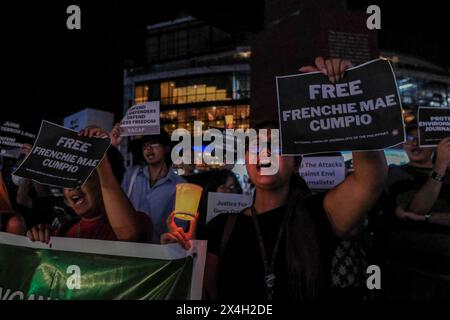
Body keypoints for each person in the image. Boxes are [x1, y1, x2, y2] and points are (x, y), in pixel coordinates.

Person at [161, 57, 388, 300]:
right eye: (256, 146)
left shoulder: (321, 213)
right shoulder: (221, 227)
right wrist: (183, 256)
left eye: (276, 146)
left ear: (296, 163)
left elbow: (370, 178)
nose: (266, 153)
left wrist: (349, 100)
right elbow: (205, 296)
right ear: (246, 161)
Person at [26, 126, 153, 244]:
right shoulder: (61, 232)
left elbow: (129, 236)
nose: (71, 187)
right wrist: (38, 239)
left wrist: (101, 158)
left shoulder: (139, 222)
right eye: (66, 179)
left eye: (80, 176)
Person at [383, 123, 450, 299]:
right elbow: (417, 209)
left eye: (421, 140)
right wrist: (441, 166)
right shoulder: (395, 174)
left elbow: (420, 215)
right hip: (409, 270)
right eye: (410, 139)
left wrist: (429, 218)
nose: (415, 144)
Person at [110, 125, 185, 243]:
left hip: (159, 253)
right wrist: (112, 146)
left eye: (154, 144)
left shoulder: (181, 186)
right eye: (144, 146)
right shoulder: (130, 175)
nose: (148, 149)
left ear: (166, 148)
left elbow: (181, 228)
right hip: (127, 248)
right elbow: (110, 187)